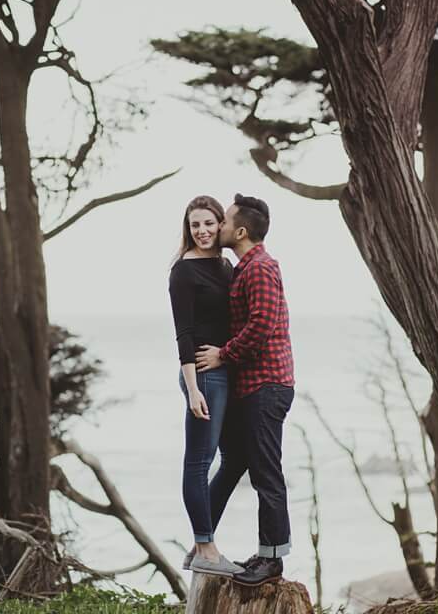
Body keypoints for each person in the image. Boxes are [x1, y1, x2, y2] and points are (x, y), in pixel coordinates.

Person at [196, 194, 296, 587]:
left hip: (267, 385)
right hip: (254, 386)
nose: (216, 227)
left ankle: (273, 560)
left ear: (239, 231)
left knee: (267, 474)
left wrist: (223, 354)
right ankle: (218, 545)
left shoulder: (261, 269)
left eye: (223, 222)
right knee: (239, 461)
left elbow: (262, 325)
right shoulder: (244, 268)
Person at [168, 195, 244, 576]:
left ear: (220, 225)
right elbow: (183, 333)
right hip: (202, 376)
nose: (202, 231)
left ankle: (200, 540)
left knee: (237, 458)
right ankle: (207, 549)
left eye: (209, 223)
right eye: (195, 225)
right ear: (188, 228)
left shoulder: (226, 265)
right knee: (199, 461)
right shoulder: (183, 271)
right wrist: (193, 388)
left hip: (226, 372)